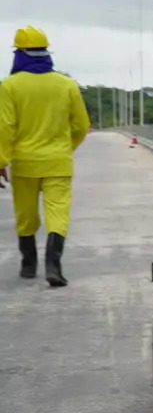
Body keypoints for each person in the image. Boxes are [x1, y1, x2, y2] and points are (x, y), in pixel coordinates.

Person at [0, 26, 90, 287]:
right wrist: (65, 148)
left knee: (26, 215)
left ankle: (29, 266)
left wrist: (1, 161)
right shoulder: (67, 84)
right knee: (57, 213)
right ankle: (54, 265)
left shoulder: (10, 86)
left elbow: (5, 127)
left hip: (24, 162)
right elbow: (81, 126)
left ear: (18, 54)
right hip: (58, 162)